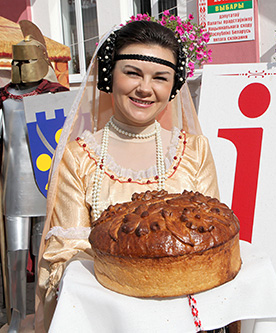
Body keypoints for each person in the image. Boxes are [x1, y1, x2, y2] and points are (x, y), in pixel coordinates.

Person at [35, 20, 220, 332]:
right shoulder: (78, 158)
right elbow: (69, 251)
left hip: (186, 314)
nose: (145, 88)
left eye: (160, 78)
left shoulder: (194, 151)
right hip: (107, 315)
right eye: (132, 73)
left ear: (173, 86)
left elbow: (210, 235)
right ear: (109, 76)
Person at [0, 31, 68, 332]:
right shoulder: (3, 100)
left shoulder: (55, 96)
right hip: (14, 187)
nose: (22, 65)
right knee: (14, 258)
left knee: (46, 257)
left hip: (45, 186)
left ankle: (45, 316)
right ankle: (15, 317)